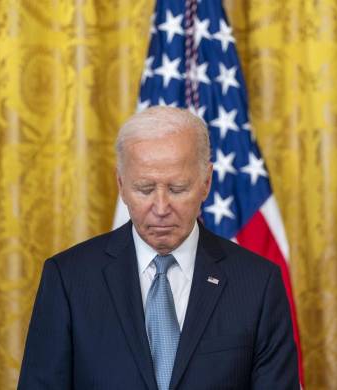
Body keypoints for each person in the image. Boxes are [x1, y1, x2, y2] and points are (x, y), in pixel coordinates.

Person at [18, 106, 299, 389]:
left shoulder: (258, 284)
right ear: (121, 184)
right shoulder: (68, 279)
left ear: (206, 183)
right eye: (144, 189)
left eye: (177, 188)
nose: (161, 208)